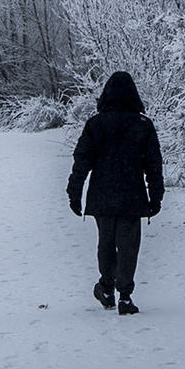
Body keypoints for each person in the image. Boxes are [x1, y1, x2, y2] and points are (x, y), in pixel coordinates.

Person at [66, 70, 164, 315]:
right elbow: (153, 164)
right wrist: (156, 196)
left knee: (106, 243)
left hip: (102, 195)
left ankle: (106, 288)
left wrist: (74, 192)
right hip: (132, 195)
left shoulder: (95, 125)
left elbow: (82, 160)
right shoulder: (143, 125)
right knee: (129, 246)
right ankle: (126, 297)